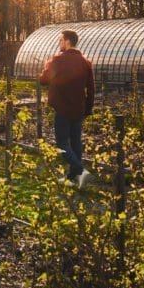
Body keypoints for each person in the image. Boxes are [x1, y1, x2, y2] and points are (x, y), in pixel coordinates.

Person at [39, 29, 95, 188]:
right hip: (78, 110)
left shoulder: (57, 60)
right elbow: (91, 89)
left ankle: (80, 170)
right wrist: (87, 109)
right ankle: (72, 179)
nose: (59, 43)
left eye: (60, 40)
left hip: (63, 109)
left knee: (62, 144)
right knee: (76, 142)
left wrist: (47, 66)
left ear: (67, 41)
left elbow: (43, 80)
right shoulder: (85, 62)